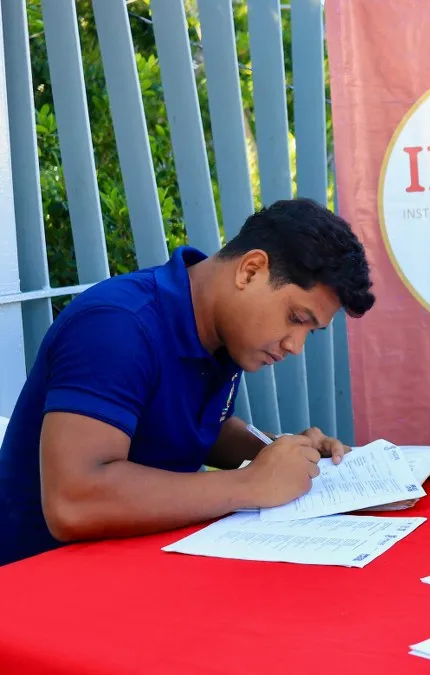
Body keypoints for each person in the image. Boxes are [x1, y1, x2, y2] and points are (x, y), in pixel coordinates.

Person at [0, 198, 375, 566]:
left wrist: (282, 453)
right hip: (40, 584)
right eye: (296, 317)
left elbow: (197, 427)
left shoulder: (222, 332)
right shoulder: (116, 326)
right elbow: (73, 502)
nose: (295, 346)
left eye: (311, 331)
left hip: (141, 563)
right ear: (250, 271)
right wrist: (251, 484)